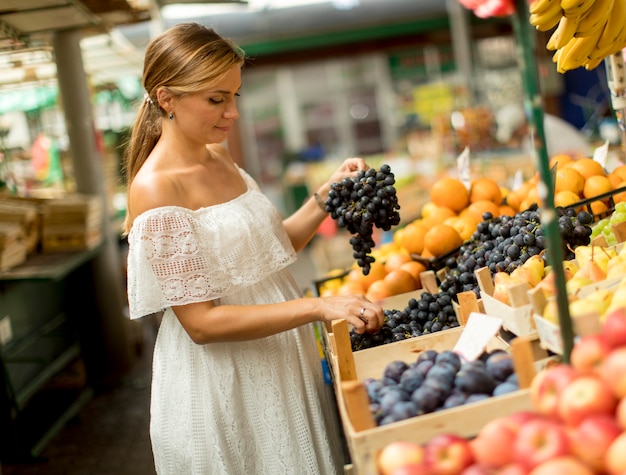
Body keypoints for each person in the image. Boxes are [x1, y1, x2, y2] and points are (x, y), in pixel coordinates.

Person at [122, 22, 384, 475]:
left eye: (234, 96)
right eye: (216, 99)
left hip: (282, 361)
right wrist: (319, 306)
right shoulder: (155, 189)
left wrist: (328, 194)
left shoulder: (218, 155)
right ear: (167, 99)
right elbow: (201, 323)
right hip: (226, 385)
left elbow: (268, 250)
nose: (232, 113)